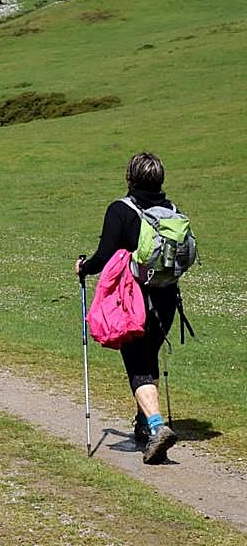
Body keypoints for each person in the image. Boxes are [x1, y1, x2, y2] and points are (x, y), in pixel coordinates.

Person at [75, 151, 186, 465]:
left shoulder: (121, 210)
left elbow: (104, 255)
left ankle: (155, 427)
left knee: (137, 366)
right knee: (149, 358)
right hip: (167, 297)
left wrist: (84, 267)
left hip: (133, 299)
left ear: (130, 177)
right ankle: (143, 427)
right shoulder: (171, 211)